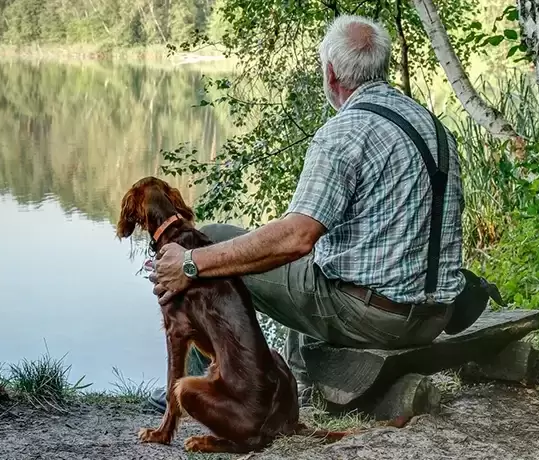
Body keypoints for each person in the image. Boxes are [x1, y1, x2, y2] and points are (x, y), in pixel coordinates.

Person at [145, 14, 465, 412]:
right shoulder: (434, 127)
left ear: (331, 74)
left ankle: (199, 389)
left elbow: (296, 238)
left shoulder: (344, 132)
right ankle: (300, 384)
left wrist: (191, 263)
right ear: (380, 68)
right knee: (310, 262)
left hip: (378, 320)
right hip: (435, 315)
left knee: (210, 240)